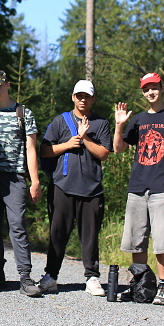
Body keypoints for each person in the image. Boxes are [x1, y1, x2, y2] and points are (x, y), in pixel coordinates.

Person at [113, 73, 164, 306]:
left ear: (162, 88)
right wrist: (120, 124)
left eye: (154, 88)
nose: (150, 92)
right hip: (137, 187)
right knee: (137, 240)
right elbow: (118, 148)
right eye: (146, 89)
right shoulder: (139, 119)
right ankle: (140, 283)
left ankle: (163, 287)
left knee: (163, 240)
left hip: (162, 187)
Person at [37, 79, 113, 296]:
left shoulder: (100, 123)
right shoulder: (61, 121)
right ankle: (51, 276)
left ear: (92, 99)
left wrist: (84, 137)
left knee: (90, 236)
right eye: (79, 95)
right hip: (63, 186)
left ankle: (92, 277)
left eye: (87, 96)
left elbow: (104, 154)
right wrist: (68, 144)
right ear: (73, 97)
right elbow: (45, 150)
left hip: (92, 189)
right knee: (58, 233)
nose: (82, 99)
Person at [0, 70, 42, 297]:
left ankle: (25, 276)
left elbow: (31, 149)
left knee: (17, 225)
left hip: (14, 176)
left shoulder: (23, 113)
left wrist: (35, 181)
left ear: (7, 85)